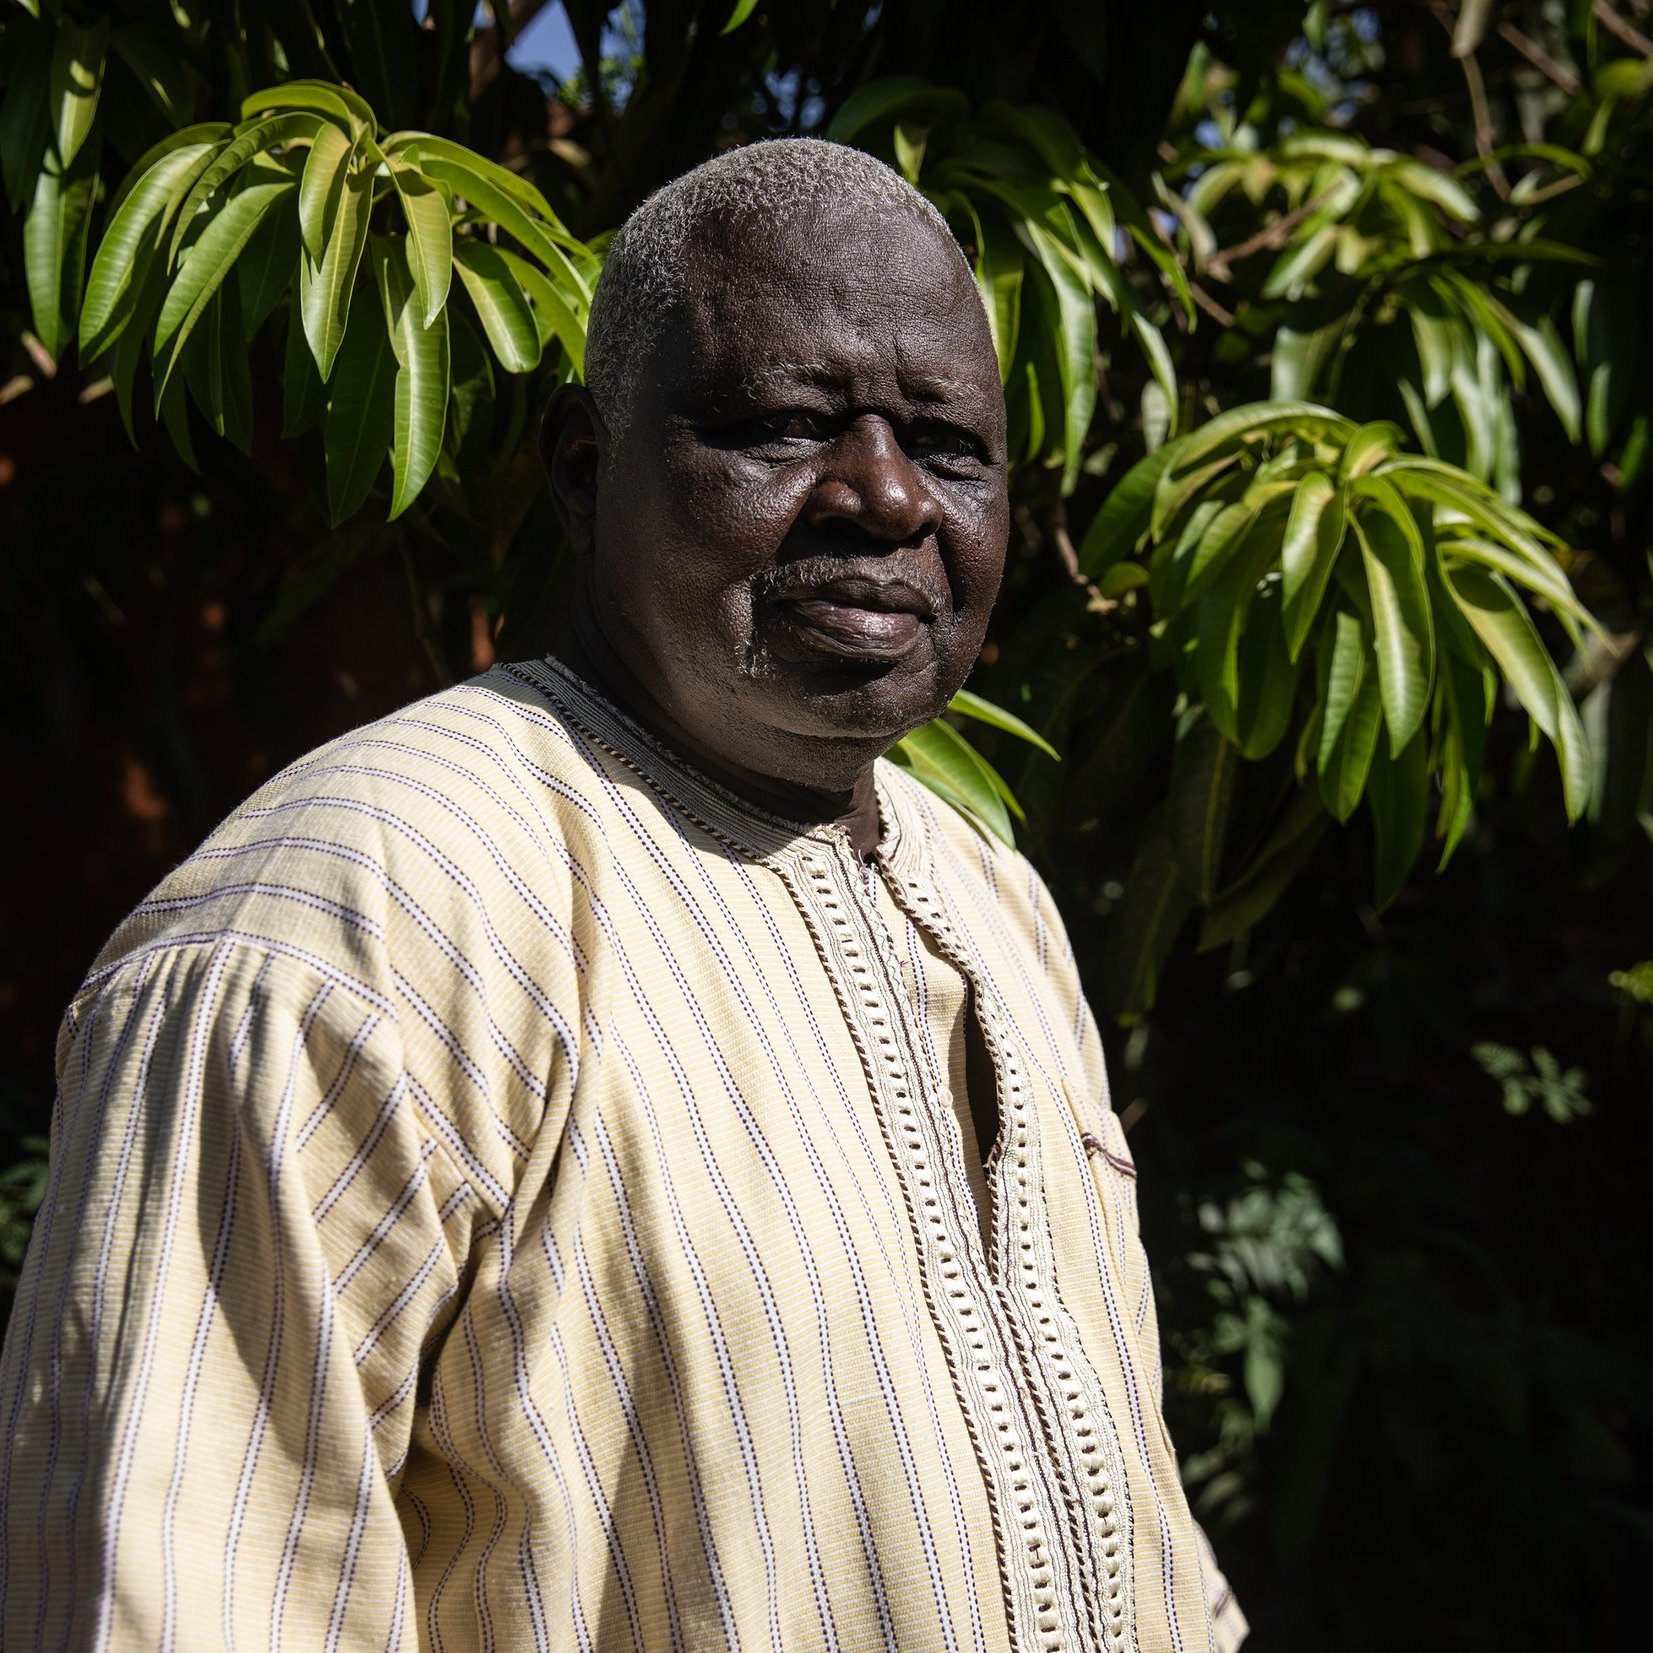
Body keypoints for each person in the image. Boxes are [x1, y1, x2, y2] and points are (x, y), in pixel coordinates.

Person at [0, 139, 1244, 1651]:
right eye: (785, 426)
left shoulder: (994, 903)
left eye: (950, 447)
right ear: (584, 472)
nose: (883, 494)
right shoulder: (343, 926)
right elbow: (172, 1603)